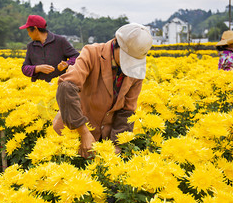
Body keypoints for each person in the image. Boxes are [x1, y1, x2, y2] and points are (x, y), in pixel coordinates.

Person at [53, 23, 153, 158]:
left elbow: (127, 110)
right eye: (127, 59)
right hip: (73, 132)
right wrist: (84, 132)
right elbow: (66, 87)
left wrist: (117, 145)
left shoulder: (136, 71)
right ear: (116, 43)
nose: (129, 65)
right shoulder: (91, 53)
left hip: (105, 140)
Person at [20, 15, 80, 82]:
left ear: (35, 29)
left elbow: (77, 57)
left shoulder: (60, 41)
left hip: (58, 86)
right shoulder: (31, 46)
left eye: (28, 31)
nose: (28, 34)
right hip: (38, 87)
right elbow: (24, 68)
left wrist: (67, 64)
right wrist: (37, 68)